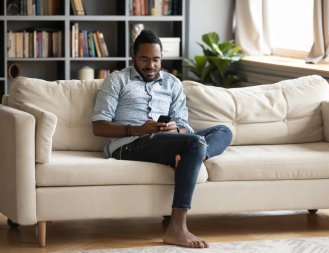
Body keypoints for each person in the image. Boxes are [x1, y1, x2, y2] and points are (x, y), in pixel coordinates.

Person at [91, 30, 232, 248]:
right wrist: (136, 129)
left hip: (169, 140)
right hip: (130, 144)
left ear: (161, 58)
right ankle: (177, 228)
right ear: (134, 57)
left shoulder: (173, 83)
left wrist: (176, 130)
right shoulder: (117, 80)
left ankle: (189, 157)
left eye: (156, 59)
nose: (151, 65)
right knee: (194, 143)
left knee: (223, 131)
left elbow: (185, 126)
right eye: (144, 59)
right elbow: (98, 126)